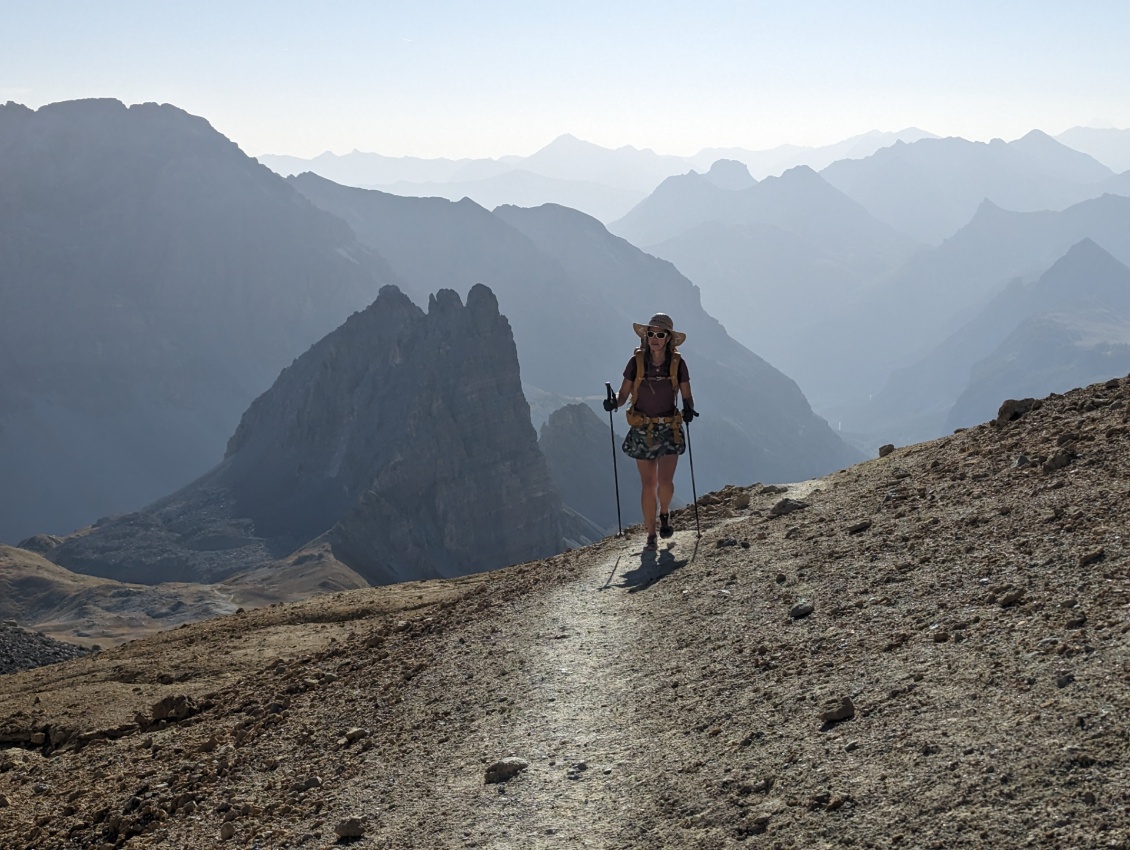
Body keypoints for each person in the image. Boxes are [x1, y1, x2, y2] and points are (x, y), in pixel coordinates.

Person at [603, 313, 697, 551]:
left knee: (665, 481)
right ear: (646, 336)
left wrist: (688, 409)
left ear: (668, 339)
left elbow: (687, 395)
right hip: (642, 427)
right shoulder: (636, 362)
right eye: (651, 333)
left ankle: (664, 513)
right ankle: (651, 534)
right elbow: (623, 395)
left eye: (660, 334)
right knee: (648, 484)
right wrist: (613, 401)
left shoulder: (678, 364)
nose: (654, 338)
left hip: (669, 427)